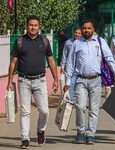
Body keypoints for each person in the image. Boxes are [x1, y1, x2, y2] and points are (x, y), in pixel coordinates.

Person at [64, 19, 115, 144]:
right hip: (81, 80)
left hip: (96, 79)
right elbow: (70, 64)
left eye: (89, 28)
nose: (86, 30)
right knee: (79, 106)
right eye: (84, 28)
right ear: (81, 29)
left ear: (93, 29)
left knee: (94, 109)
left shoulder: (100, 41)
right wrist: (67, 82)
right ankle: (80, 131)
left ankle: (90, 134)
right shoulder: (76, 44)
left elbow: (109, 57)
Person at [6, 15, 58, 149]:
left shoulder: (44, 41)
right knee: (25, 111)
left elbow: (51, 61)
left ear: (39, 26)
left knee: (45, 111)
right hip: (24, 81)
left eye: (35, 25)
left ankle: (41, 130)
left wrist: (56, 79)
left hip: (40, 80)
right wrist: (9, 80)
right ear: (27, 26)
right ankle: (25, 139)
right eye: (30, 25)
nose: (33, 27)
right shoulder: (20, 41)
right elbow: (13, 62)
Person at [60, 27, 82, 100]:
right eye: (76, 32)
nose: (77, 34)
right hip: (70, 68)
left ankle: (80, 102)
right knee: (70, 85)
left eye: (79, 33)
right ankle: (70, 102)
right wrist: (62, 66)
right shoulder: (68, 43)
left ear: (81, 34)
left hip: (80, 68)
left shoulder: (83, 43)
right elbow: (64, 55)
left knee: (80, 86)